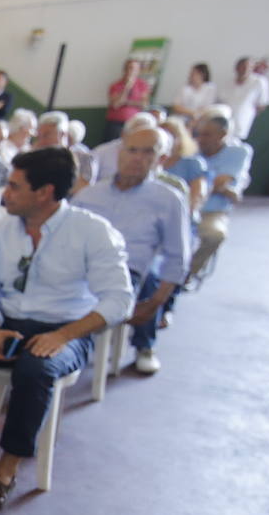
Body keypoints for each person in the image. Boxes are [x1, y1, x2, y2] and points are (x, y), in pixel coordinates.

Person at [0, 147, 132, 513]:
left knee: (36, 370)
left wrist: (63, 336)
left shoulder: (92, 231)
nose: (5, 194)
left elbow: (119, 300)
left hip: (67, 327)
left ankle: (6, 469)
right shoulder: (2, 228)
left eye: (14, 186)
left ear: (44, 192)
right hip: (8, 321)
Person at [74, 129, 190, 376]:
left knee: (150, 278)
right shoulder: (90, 194)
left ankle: (144, 346)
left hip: (127, 272)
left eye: (148, 152)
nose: (138, 158)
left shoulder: (168, 199)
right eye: (132, 150)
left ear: (161, 159)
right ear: (119, 152)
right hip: (78, 268)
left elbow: (177, 256)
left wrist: (157, 302)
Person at [189, 114, 252, 281]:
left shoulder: (238, 152)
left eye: (207, 134)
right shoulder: (191, 150)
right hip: (184, 207)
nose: (201, 139)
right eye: (199, 134)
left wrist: (201, 184)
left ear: (222, 134)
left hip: (213, 212)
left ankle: (186, 274)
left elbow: (221, 183)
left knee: (215, 235)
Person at [159, 119, 208, 218]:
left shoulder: (193, 163)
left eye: (172, 136)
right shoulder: (148, 165)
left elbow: (197, 196)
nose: (168, 140)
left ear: (180, 139)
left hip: (182, 216)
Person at [92, 112, 158, 186]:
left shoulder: (156, 154)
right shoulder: (101, 152)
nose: (140, 139)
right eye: (136, 134)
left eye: (146, 135)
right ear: (123, 134)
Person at [36, 111, 95, 191]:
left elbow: (84, 189)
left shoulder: (83, 158)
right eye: (39, 136)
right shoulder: (36, 156)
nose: (41, 141)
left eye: (46, 135)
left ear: (62, 134)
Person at [219, 57, 269, 141]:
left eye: (249, 67)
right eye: (243, 66)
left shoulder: (259, 81)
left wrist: (248, 114)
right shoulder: (227, 83)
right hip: (224, 124)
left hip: (242, 123)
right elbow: (221, 101)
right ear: (236, 68)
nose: (245, 69)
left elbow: (262, 104)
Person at [104, 59, 151, 142]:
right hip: (116, 124)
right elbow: (116, 104)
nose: (131, 71)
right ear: (124, 69)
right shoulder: (115, 85)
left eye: (134, 69)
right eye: (129, 68)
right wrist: (127, 87)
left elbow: (144, 104)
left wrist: (126, 102)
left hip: (134, 124)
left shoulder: (142, 85)